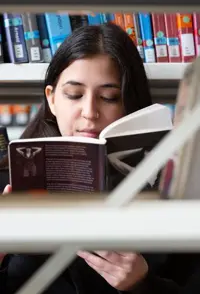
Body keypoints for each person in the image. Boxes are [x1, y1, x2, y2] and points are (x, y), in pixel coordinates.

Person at [0, 23, 200, 294]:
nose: (89, 112)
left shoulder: (175, 193)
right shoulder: (6, 183)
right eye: (74, 95)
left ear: (131, 104)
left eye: (109, 97)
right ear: (52, 99)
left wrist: (142, 284)